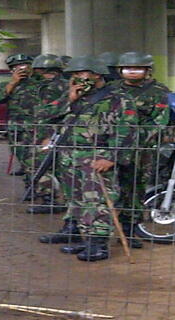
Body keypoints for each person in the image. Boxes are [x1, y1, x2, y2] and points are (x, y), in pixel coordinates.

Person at [37, 55, 138, 262]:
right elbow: (43, 114)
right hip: (70, 156)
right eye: (73, 74)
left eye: (80, 73)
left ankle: (98, 244)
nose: (76, 78)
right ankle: (83, 237)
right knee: (76, 200)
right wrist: (69, 99)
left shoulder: (117, 98)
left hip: (97, 156)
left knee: (97, 200)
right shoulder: (76, 96)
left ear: (97, 74)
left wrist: (112, 157)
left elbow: (127, 131)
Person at [110, 52, 170, 249]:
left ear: (147, 70)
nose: (132, 72)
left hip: (141, 150)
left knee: (134, 189)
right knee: (103, 188)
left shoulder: (158, 91)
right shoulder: (111, 89)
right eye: (127, 68)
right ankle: (90, 229)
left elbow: (159, 121)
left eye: (138, 68)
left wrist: (135, 140)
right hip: (110, 147)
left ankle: (128, 230)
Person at [25, 54, 68, 214]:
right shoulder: (60, 85)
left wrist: (45, 136)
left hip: (50, 132)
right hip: (54, 132)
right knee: (55, 167)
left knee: (38, 164)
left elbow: (49, 114)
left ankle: (50, 199)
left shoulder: (53, 87)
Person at [0, 54, 38, 177]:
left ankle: (33, 173)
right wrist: (13, 83)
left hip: (34, 123)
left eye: (25, 66)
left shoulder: (39, 84)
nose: (22, 70)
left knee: (33, 151)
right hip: (15, 124)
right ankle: (24, 167)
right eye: (17, 67)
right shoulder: (9, 84)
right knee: (17, 148)